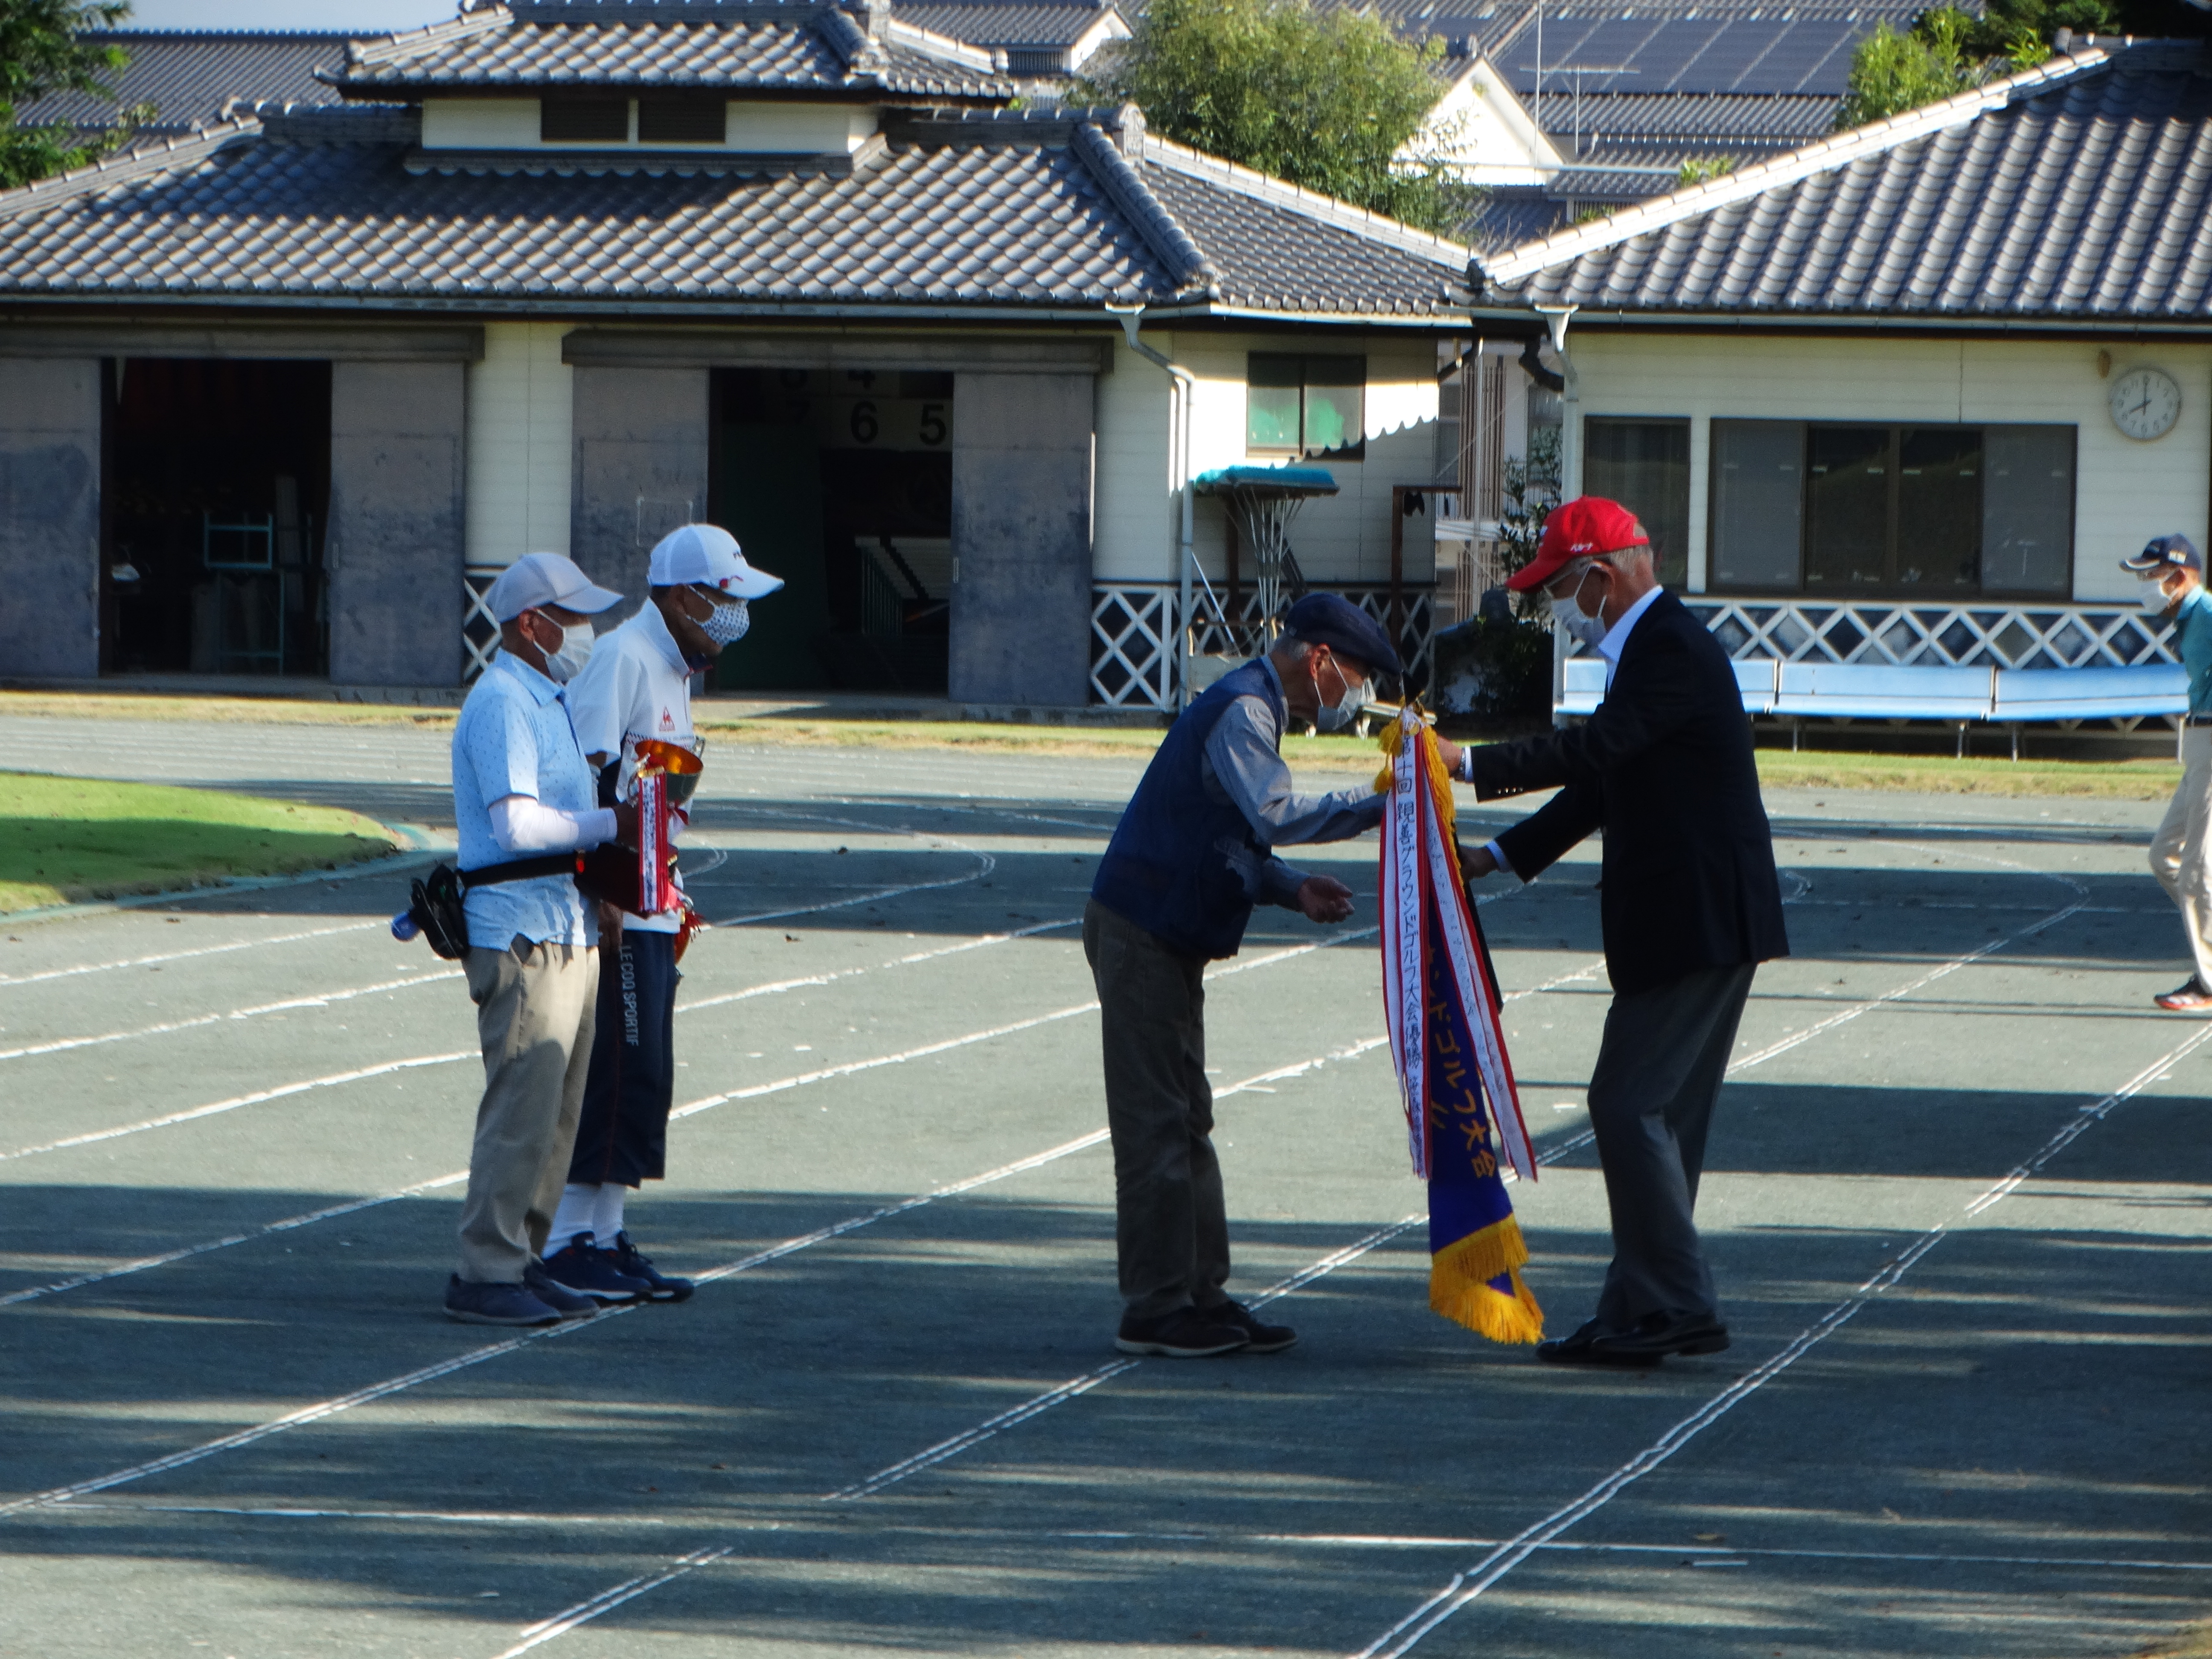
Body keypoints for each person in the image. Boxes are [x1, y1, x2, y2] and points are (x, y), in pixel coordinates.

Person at [1445, 496, 1788, 1366]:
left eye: (1557, 587)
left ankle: (1674, 1303)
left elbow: (1594, 753)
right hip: (1701, 920)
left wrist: (1470, 762)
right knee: (1661, 1118)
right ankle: (1640, 1309)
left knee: (1625, 1103)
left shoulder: (1665, 647)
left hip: (1695, 921)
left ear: (1600, 575)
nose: (1556, 607)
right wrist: (1500, 857)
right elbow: (1605, 786)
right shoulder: (1654, 648)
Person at [1086, 592, 1402, 1359]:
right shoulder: (1245, 711)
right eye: (1357, 677)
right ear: (1319, 660)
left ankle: (1200, 1293)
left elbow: (1234, 836)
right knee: (1159, 1125)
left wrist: (1288, 886)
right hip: (1143, 933)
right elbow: (1274, 814)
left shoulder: (1257, 706)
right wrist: (1380, 804)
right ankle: (1155, 1308)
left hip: (1163, 936)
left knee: (1186, 1119)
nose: (1358, 696)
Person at [543, 524, 784, 1301]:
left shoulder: (677, 665)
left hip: (653, 896)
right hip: (617, 899)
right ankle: (565, 1239)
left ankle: (605, 1234)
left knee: (644, 1076)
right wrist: (604, 886)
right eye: (725, 597)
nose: (734, 614)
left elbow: (656, 785)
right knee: (616, 1068)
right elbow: (582, 773)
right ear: (682, 597)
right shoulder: (623, 657)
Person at [445, 552, 635, 1327]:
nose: (586, 630)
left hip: (563, 921)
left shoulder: (543, 695)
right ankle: (486, 1267)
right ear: (532, 622)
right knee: (522, 1107)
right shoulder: (502, 701)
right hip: (520, 929)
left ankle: (523, 1255)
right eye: (574, 614)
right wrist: (609, 824)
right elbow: (515, 823)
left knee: (557, 1108)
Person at [2129, 535, 2212, 1012]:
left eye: (2152, 575)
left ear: (2179, 577)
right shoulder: (2187, 619)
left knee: (2200, 868)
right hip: (2198, 739)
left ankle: (2209, 982)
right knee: (2166, 857)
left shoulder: (2207, 614)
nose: (2146, 585)